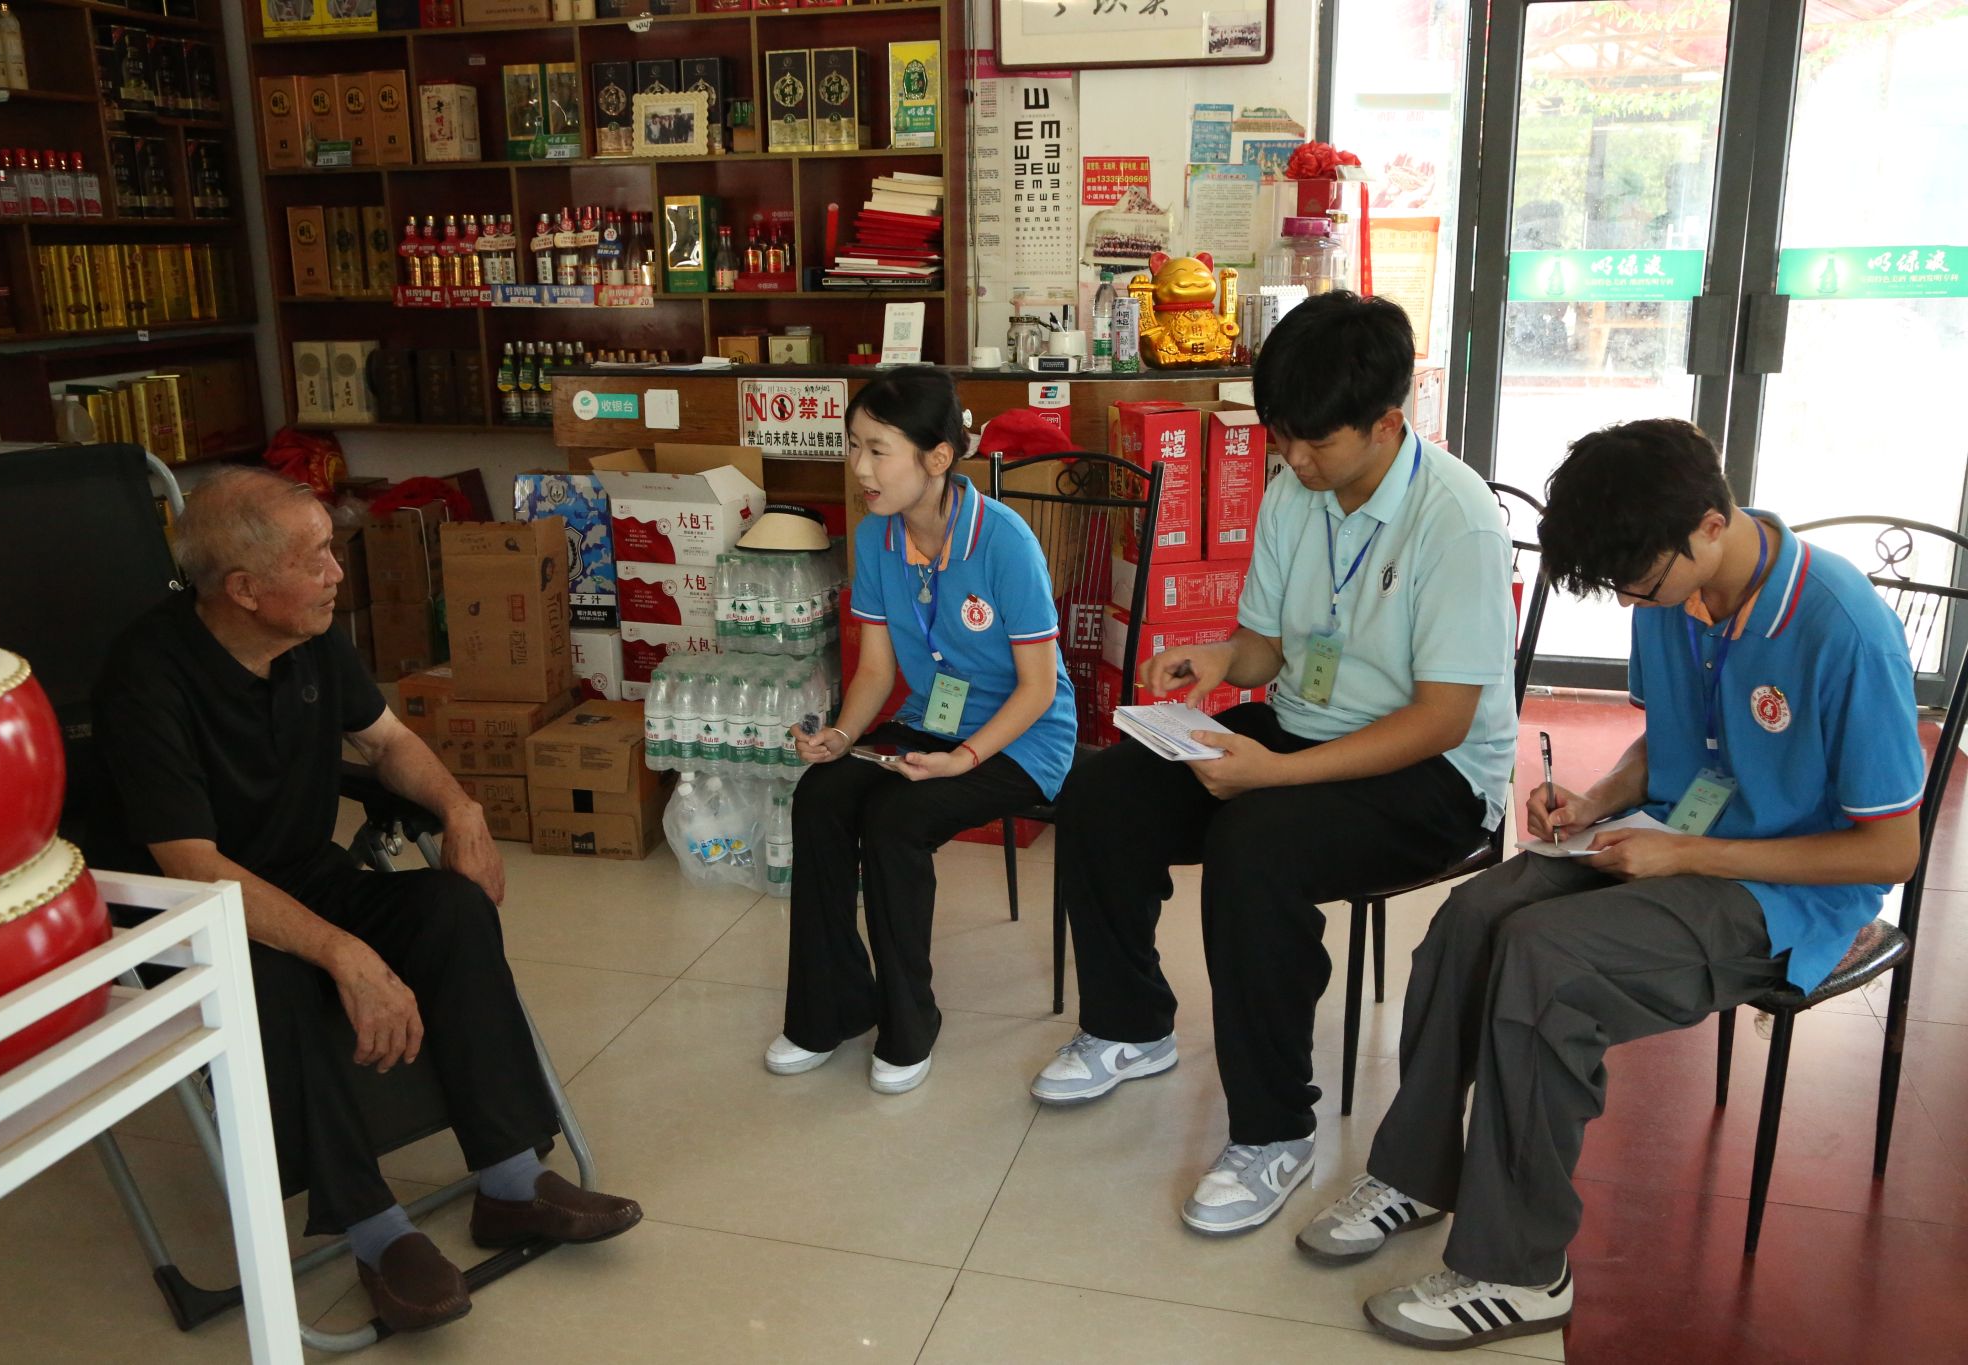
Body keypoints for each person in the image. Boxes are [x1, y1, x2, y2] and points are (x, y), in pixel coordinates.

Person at [1301, 418, 1927, 1351]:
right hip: (1671, 839)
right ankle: (1416, 1173)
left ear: (1710, 524)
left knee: (1548, 964)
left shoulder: (1844, 628)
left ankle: (1521, 1270)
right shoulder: (1672, 587)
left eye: (1640, 581)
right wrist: (1594, 801)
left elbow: (1891, 852)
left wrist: (1689, 857)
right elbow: (1670, 744)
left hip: (1788, 894)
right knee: (1473, 916)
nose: (1637, 599)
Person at [93, 469, 642, 1336]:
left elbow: (387, 742)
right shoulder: (147, 676)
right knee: (270, 982)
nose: (337, 573)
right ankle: (378, 1234)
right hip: (193, 915)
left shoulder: (309, 635)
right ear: (245, 589)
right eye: (315, 558)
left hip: (305, 873)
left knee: (451, 910)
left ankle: (510, 1181)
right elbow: (193, 865)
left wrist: (461, 809)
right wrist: (342, 951)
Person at [1028, 291, 1519, 1238]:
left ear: (1388, 423)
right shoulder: (1297, 492)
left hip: (1433, 776)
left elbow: (1443, 718)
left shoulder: (1456, 521)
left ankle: (1274, 1131)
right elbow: (1266, 649)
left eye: (1314, 443)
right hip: (1305, 725)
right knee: (1107, 787)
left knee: (1255, 843)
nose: (1293, 460)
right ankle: (1131, 1025)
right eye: (1281, 437)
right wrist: (1215, 662)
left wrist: (1275, 774)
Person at [766, 367, 1076, 1095]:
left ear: (937, 458)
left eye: (878, 450)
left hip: (1022, 738)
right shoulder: (877, 538)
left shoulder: (1004, 542)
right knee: (820, 795)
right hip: (932, 720)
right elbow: (876, 670)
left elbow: (1037, 689)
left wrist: (964, 758)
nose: (860, 468)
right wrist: (843, 737)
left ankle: (909, 1022)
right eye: (853, 446)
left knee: (896, 817)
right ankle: (830, 1009)